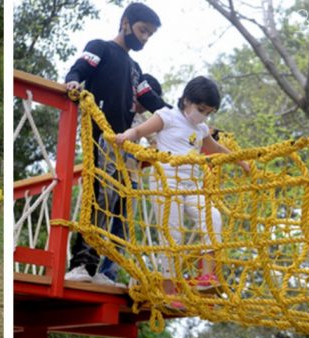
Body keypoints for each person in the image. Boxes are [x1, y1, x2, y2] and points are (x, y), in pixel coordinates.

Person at [115, 76, 250, 293]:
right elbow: (139, 131)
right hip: (166, 183)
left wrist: (243, 161)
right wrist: (125, 136)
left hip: (192, 185)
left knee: (212, 218)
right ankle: (169, 289)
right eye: (201, 109)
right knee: (173, 233)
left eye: (208, 113)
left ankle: (207, 276)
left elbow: (216, 149)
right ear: (186, 100)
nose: (203, 116)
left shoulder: (201, 129)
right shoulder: (167, 116)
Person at [63, 3, 166, 286]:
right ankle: (82, 264)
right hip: (99, 135)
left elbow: (153, 103)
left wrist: (183, 118)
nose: (144, 38)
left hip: (123, 145)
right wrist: (72, 83)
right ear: (125, 23)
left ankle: (101, 270)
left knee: (117, 203)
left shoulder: (135, 69)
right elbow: (78, 69)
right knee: (98, 198)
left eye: (149, 35)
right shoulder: (101, 48)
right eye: (142, 30)